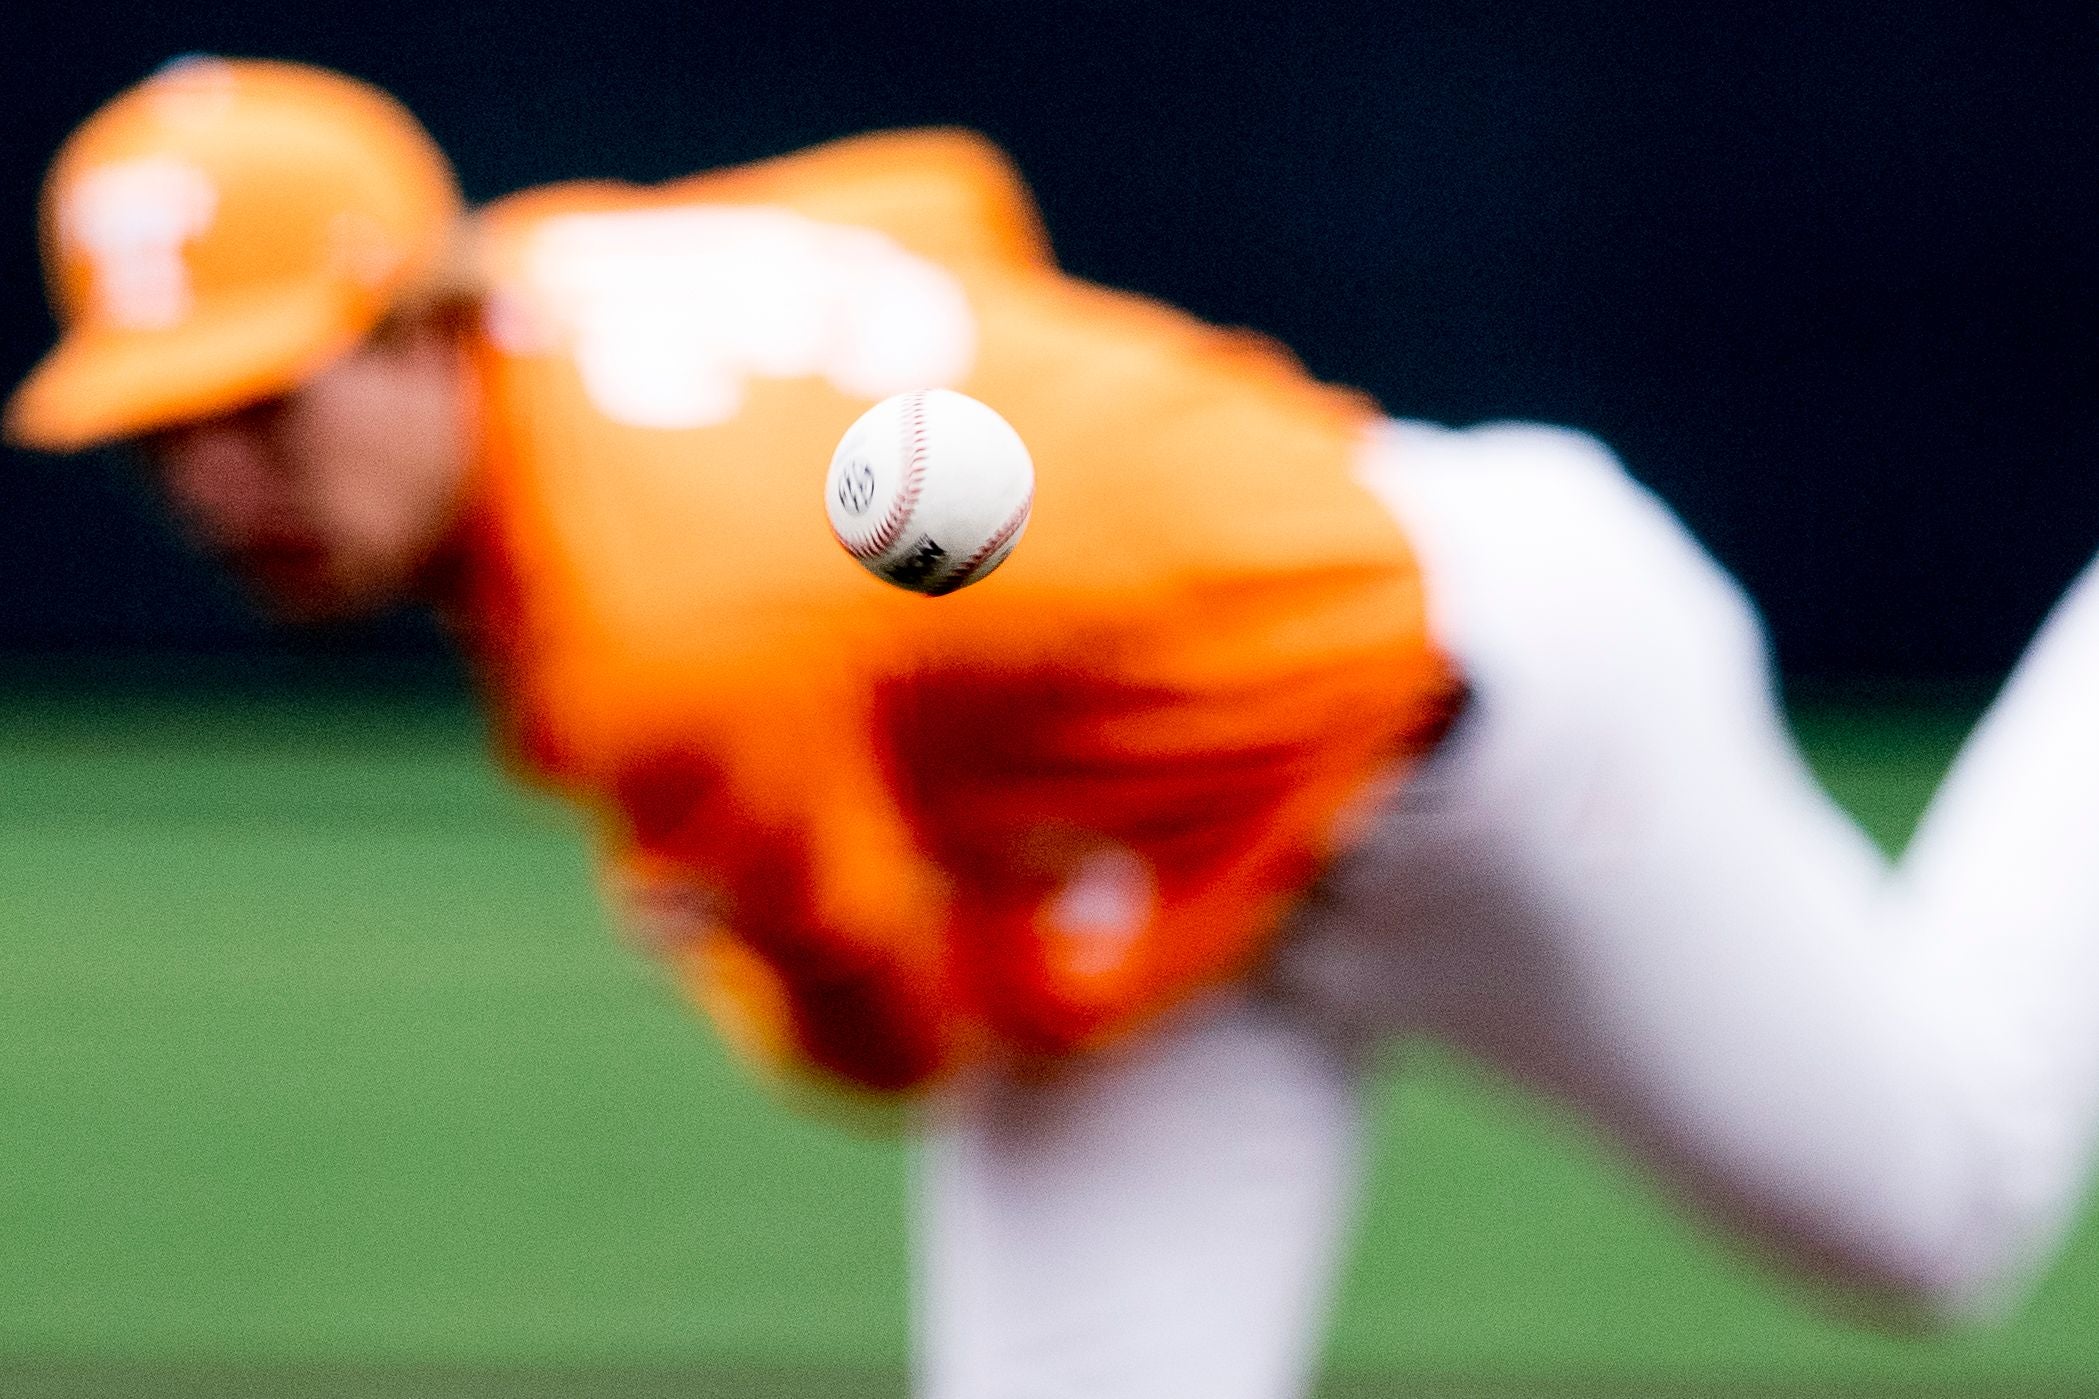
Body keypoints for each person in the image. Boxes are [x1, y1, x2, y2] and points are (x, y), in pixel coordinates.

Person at [11, 56, 2099, 1399]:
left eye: (264, 405)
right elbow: (940, 200)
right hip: (1166, 842)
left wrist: (758, 932)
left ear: (422, 319)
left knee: (1938, 1215)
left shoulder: (678, 625)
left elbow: (901, 1036)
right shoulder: (581, 260)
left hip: (1482, 727)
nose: (221, 484)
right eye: (164, 433)